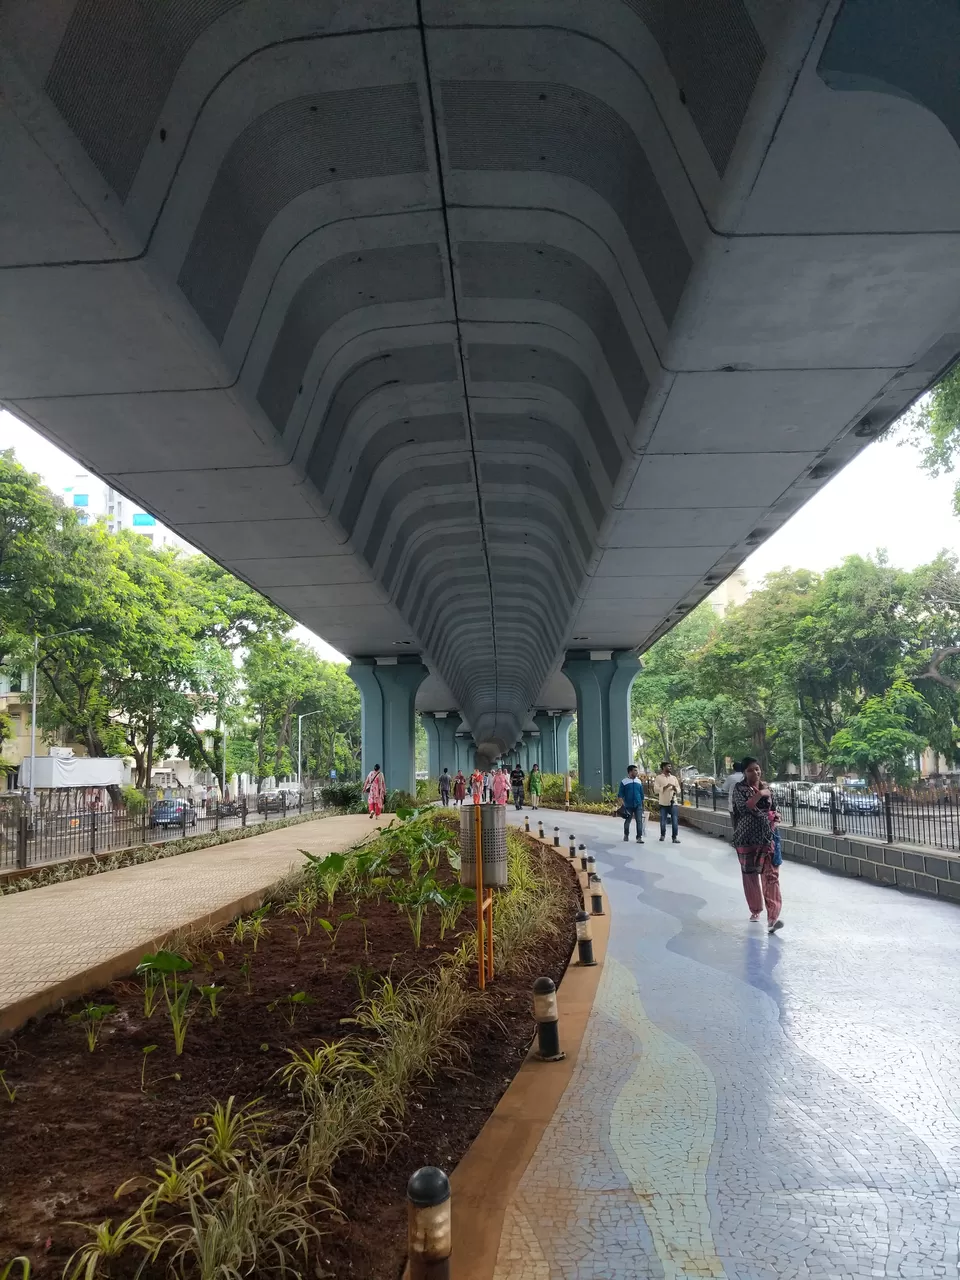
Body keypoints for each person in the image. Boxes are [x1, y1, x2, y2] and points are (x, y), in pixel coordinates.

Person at [732, 757, 783, 934]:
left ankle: (773, 918)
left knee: (771, 875)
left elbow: (774, 807)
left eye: (757, 769)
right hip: (746, 838)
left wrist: (776, 816)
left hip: (767, 837)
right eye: (750, 770)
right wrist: (760, 794)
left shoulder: (767, 786)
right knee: (750, 875)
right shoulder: (739, 788)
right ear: (744, 773)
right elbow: (745, 808)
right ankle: (755, 910)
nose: (755, 772)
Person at [654, 762, 681, 844]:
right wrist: (666, 787)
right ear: (663, 767)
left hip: (673, 802)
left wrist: (675, 788)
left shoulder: (674, 778)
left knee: (675, 821)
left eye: (670, 766)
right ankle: (662, 835)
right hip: (663, 803)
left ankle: (674, 837)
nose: (670, 768)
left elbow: (679, 789)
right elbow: (656, 790)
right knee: (663, 820)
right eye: (668, 766)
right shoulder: (658, 778)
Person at [618, 765, 645, 843]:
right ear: (630, 772)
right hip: (628, 805)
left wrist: (643, 805)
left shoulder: (639, 781)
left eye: (637, 770)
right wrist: (623, 805)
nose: (637, 772)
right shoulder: (624, 782)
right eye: (635, 770)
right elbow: (620, 795)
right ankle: (626, 835)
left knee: (639, 821)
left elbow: (642, 794)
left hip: (638, 804)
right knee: (627, 821)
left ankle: (639, 837)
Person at [726, 760, 744, 832]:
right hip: (744, 806)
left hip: (732, 805)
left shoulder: (731, 777)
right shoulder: (745, 777)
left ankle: (736, 836)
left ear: (734, 769)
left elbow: (724, 788)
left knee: (735, 824)